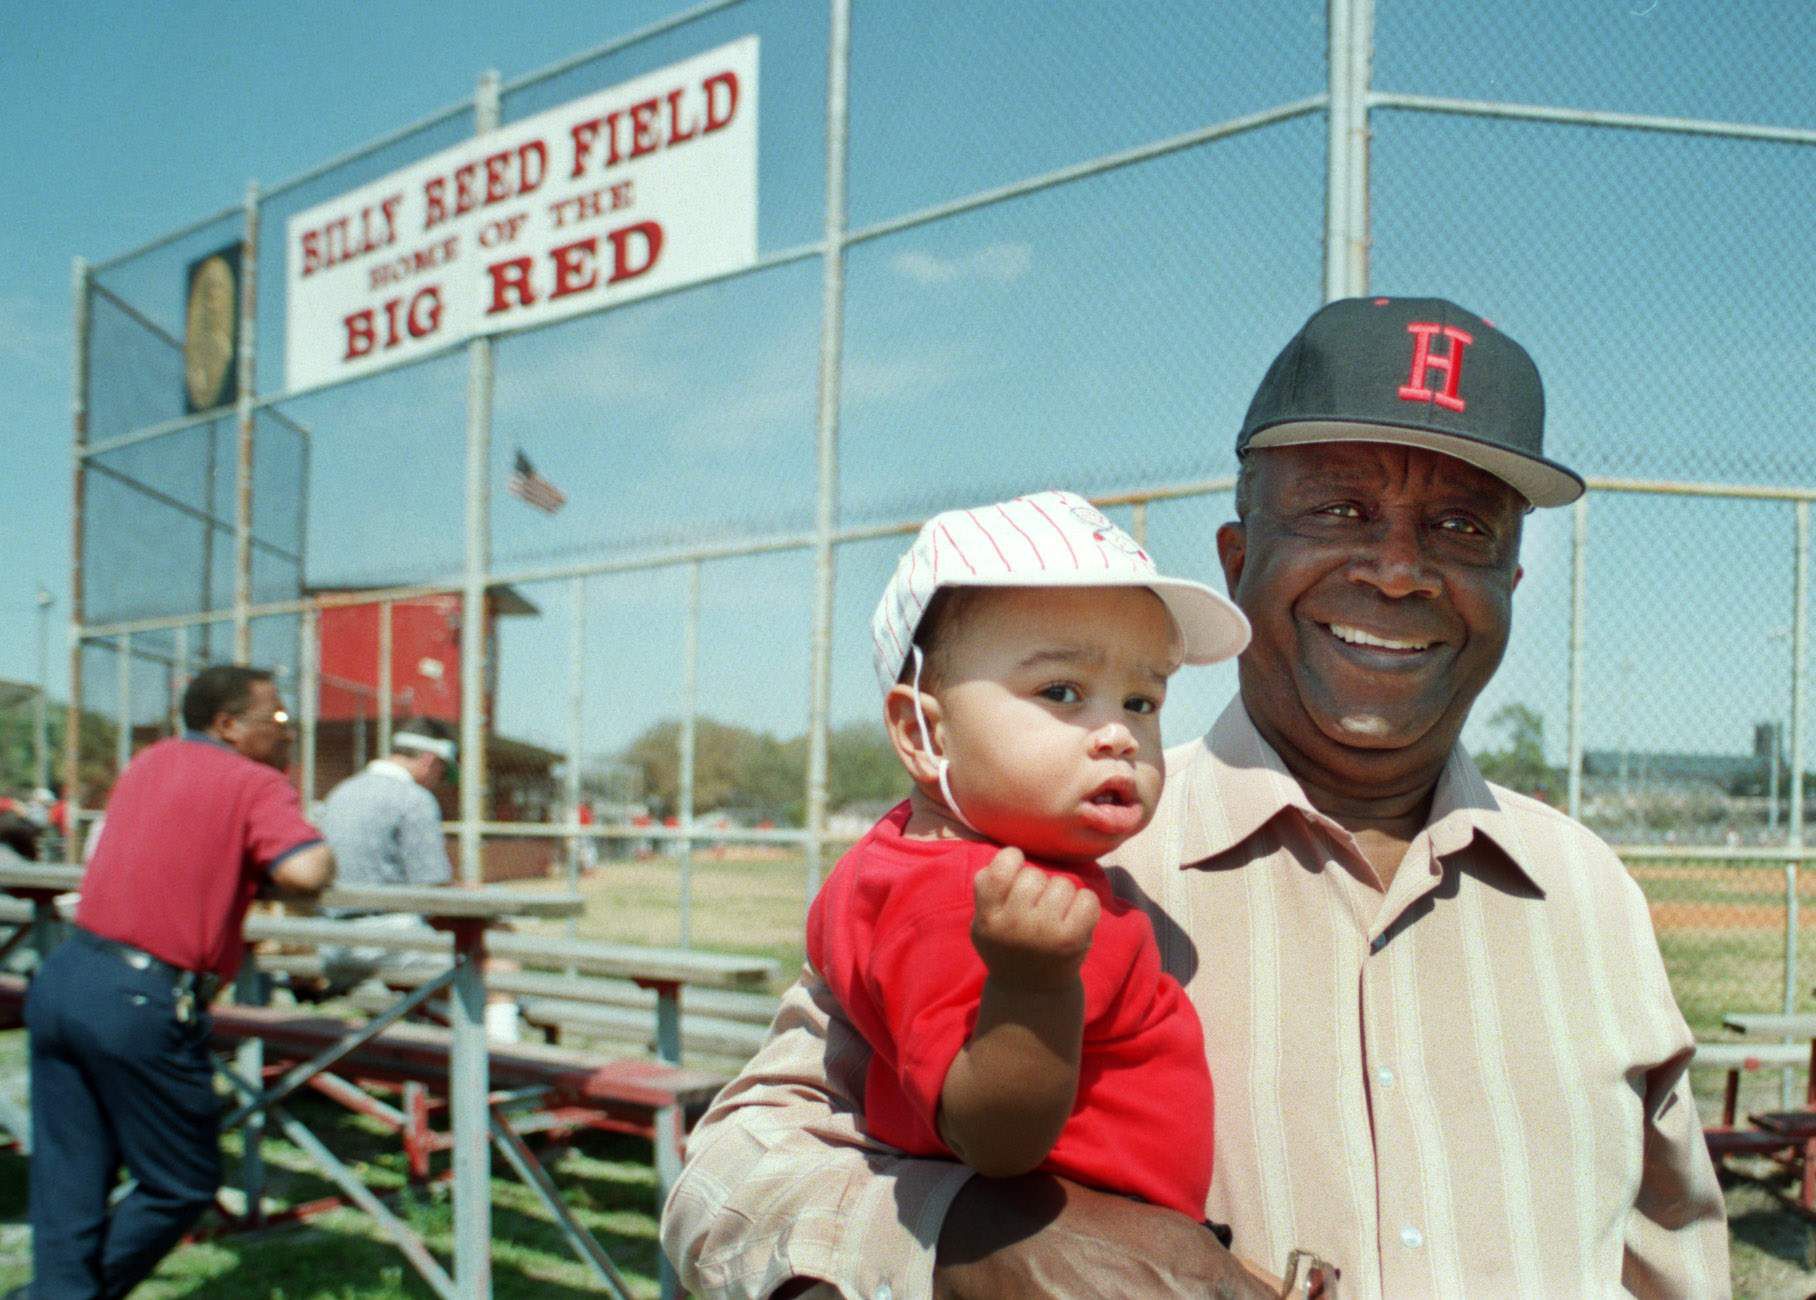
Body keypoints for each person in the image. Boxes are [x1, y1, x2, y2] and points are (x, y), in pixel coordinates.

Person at [661, 296, 1731, 1298]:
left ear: (1509, 586)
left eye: (1462, 530)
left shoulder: (1587, 892)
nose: (1399, 572)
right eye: (1341, 508)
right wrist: (972, 1244)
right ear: (1236, 559)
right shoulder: (1035, 847)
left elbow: (1673, 1259)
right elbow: (727, 1179)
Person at [810, 491, 1248, 1223]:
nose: (1118, 734)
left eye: (1142, 700)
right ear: (923, 733)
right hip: (1081, 1254)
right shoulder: (970, 900)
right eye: (1062, 690)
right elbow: (993, 1139)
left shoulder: (903, 860)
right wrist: (1032, 985)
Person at [22, 665, 334, 1299]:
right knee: (181, 1181)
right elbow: (306, 872)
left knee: (69, 1183)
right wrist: (300, 856)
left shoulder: (151, 761)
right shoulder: (253, 780)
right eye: (275, 719)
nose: (288, 731)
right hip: (138, 998)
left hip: (66, 976)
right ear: (227, 725)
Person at [316, 719, 520, 1040]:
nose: (438, 782)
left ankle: (438, 1054)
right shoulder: (413, 799)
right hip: (384, 940)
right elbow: (433, 890)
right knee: (499, 961)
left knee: (442, 962)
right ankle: (502, 1070)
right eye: (441, 772)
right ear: (429, 760)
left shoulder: (340, 792)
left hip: (331, 942)